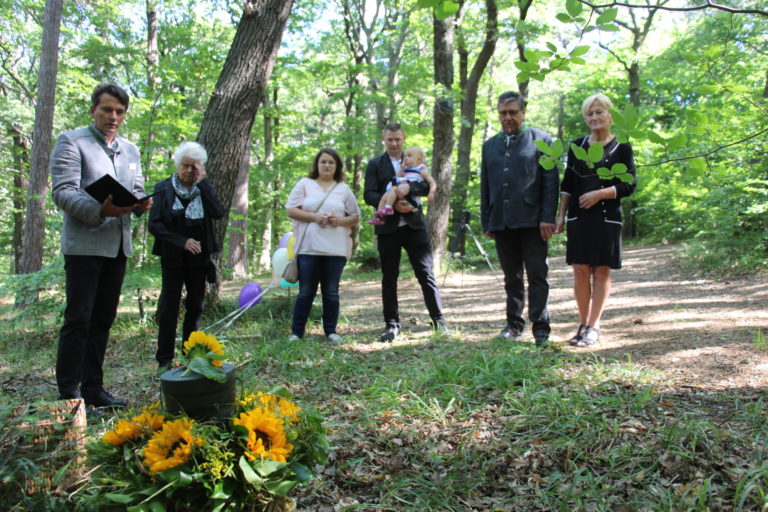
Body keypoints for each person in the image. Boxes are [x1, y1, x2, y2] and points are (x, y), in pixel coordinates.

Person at [51, 83, 152, 409]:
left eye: (120, 112)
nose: (113, 117)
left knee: (103, 320)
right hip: (84, 246)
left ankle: (94, 389)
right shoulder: (72, 141)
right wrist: (99, 211)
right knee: (79, 319)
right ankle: (69, 395)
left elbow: (135, 186)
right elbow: (63, 192)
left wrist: (140, 203)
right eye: (107, 109)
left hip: (117, 247)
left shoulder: (131, 150)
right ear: (93, 110)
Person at [554, 93, 637, 347]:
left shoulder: (622, 146)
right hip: (579, 217)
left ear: (610, 115)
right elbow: (568, 183)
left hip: (607, 218)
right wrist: (560, 215)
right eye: (589, 113)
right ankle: (582, 323)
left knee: (601, 270)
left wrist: (600, 194)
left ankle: (594, 325)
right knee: (580, 270)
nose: (594, 117)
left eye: (599, 112)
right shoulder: (578, 146)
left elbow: (629, 184)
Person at [480, 91, 559, 347]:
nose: (508, 117)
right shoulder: (489, 145)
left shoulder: (542, 140)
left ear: (523, 112)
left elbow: (550, 183)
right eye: (503, 113)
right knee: (511, 277)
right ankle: (514, 325)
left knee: (537, 275)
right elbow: (486, 185)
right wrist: (487, 220)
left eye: (513, 111)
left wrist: (548, 217)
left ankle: (541, 328)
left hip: (533, 221)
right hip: (501, 221)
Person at [364, 123, 449, 341]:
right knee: (389, 277)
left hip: (414, 226)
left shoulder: (416, 159)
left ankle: (439, 321)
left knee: (425, 273)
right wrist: (393, 201)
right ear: (384, 138)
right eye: (390, 139)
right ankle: (391, 324)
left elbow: (427, 185)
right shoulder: (375, 164)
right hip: (387, 228)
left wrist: (409, 189)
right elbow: (369, 194)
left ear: (404, 139)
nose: (393, 143)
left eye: (397, 139)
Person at [149, 142, 225, 371]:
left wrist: (205, 183)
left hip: (199, 260)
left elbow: (218, 212)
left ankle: (190, 355)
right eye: (186, 165)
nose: (190, 170)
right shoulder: (163, 188)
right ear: (177, 164)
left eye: (195, 166)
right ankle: (164, 359)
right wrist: (181, 242)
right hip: (172, 258)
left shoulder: (204, 188)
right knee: (169, 308)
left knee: (195, 307)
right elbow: (154, 225)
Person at [285, 148, 360, 342]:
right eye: (323, 162)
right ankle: (297, 332)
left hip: (336, 249)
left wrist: (340, 221)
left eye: (331, 162)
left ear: (337, 166)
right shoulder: (305, 184)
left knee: (331, 291)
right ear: (317, 164)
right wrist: (314, 217)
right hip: (308, 247)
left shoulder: (343, 188)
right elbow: (290, 210)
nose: (327, 165)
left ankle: (331, 331)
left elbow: (355, 217)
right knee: (306, 291)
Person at [369, 145, 436, 225]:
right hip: (399, 194)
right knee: (385, 196)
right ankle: (379, 217)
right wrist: (401, 170)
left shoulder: (421, 170)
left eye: (409, 156)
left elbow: (431, 182)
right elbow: (396, 178)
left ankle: (388, 208)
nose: (405, 158)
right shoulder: (405, 169)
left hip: (412, 198)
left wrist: (431, 193)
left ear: (418, 159)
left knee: (393, 189)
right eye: (405, 156)